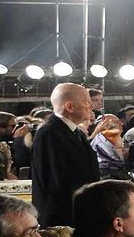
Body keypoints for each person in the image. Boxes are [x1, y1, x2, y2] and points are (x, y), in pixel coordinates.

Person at [29, 83, 100, 227]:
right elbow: (55, 182)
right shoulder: (49, 133)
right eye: (87, 102)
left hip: (79, 213)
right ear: (69, 106)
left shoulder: (76, 132)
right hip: (62, 219)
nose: (91, 106)